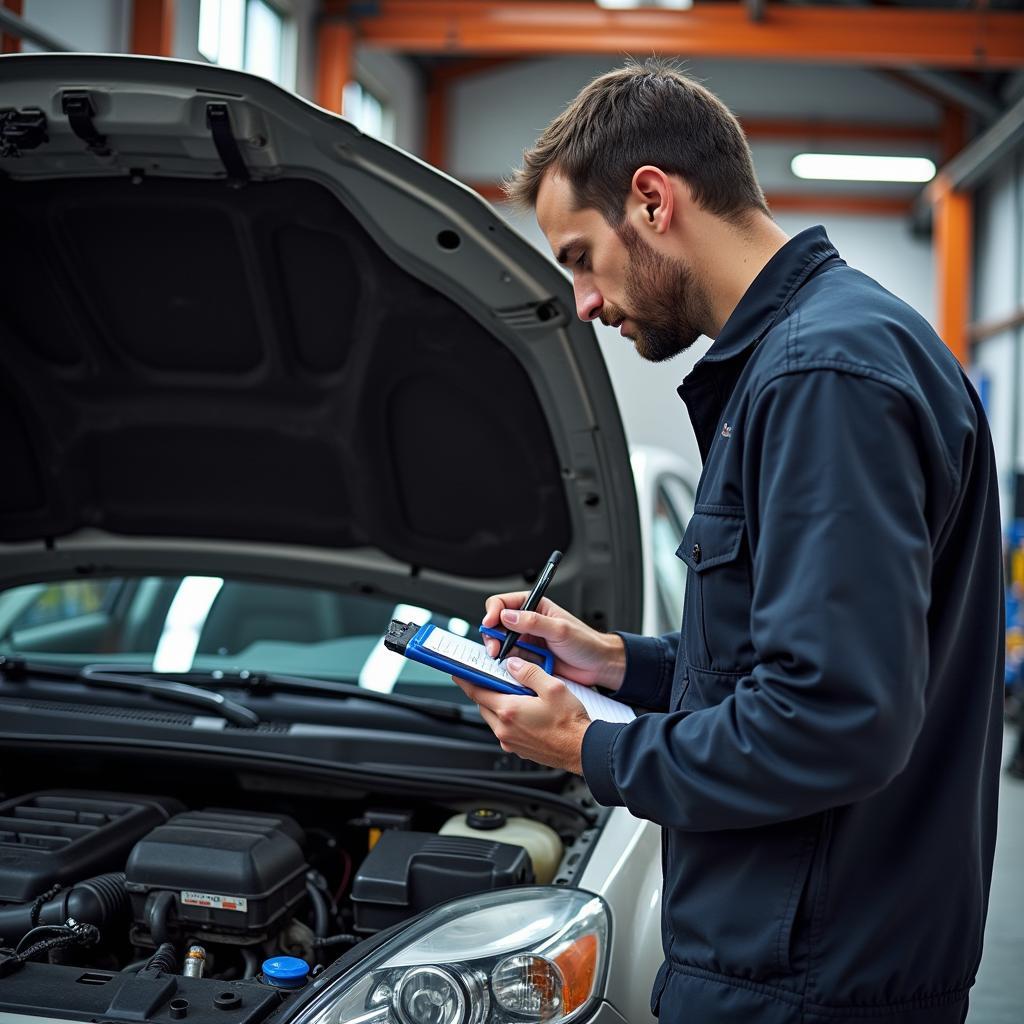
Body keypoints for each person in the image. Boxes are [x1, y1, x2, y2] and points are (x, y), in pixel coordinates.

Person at [453, 60, 1005, 1024]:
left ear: (654, 200)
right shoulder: (824, 353)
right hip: (806, 957)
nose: (582, 302)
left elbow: (831, 720)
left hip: (804, 979)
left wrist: (592, 747)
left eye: (581, 256)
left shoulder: (822, 375)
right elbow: (779, 664)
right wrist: (619, 663)